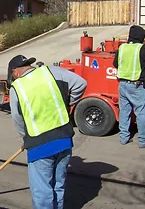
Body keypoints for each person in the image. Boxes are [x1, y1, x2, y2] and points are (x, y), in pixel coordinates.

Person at [8, 55, 87, 209]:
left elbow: (17, 119)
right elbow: (81, 83)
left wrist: (25, 138)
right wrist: (68, 103)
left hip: (39, 147)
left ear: (15, 72)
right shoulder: (51, 72)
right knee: (58, 186)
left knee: (42, 193)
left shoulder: (17, 88)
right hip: (64, 141)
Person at [113, 25, 145, 148]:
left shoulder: (122, 48)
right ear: (140, 37)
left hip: (123, 85)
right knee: (141, 113)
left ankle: (124, 138)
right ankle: (143, 141)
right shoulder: (142, 49)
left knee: (124, 112)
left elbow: (115, 63)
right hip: (137, 86)